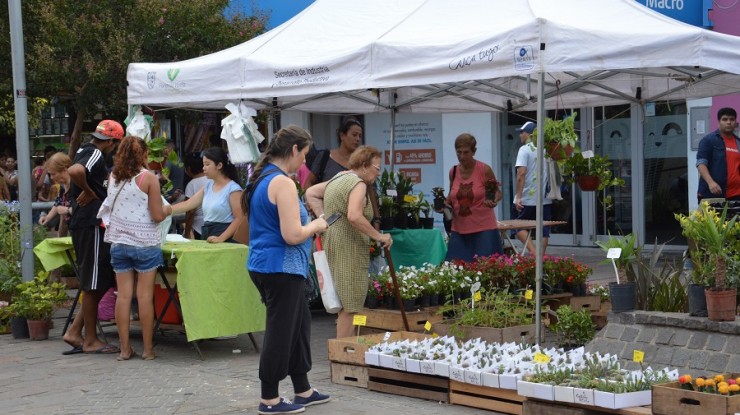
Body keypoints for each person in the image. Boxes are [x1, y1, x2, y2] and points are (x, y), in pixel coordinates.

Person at [243, 125, 330, 414]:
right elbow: (292, 235)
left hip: (271, 265)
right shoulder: (281, 183)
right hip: (279, 267)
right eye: (304, 155)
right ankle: (269, 398)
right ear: (294, 149)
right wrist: (316, 225)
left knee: (299, 326)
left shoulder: (263, 177)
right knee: (281, 331)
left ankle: (302, 389)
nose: (304, 162)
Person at [305, 145, 393, 339]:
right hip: (348, 247)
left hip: (334, 242)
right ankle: (345, 355)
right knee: (350, 306)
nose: (378, 174)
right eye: (377, 169)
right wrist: (379, 236)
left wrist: (324, 218)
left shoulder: (339, 178)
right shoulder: (358, 184)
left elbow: (310, 192)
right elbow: (354, 216)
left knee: (343, 302)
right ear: (364, 165)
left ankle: (344, 354)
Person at [101, 136, 171, 361]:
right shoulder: (148, 178)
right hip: (144, 245)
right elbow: (157, 215)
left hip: (119, 243)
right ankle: (148, 350)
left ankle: (124, 349)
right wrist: (168, 209)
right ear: (143, 154)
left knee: (123, 297)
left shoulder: (112, 177)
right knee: (144, 296)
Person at [63, 119, 122, 355]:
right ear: (113, 142)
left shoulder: (84, 150)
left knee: (101, 279)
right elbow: (75, 171)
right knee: (93, 281)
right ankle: (89, 340)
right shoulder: (94, 153)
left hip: (85, 222)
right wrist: (89, 191)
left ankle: (75, 332)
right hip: (90, 223)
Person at [438, 133, 503, 263]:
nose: (461, 156)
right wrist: (442, 205)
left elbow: (497, 192)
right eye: (459, 152)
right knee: (454, 269)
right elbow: (451, 196)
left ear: (474, 151)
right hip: (459, 231)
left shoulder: (484, 169)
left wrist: (494, 200)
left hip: (484, 230)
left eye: (466, 152)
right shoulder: (453, 171)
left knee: (485, 270)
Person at [171, 147, 243, 243]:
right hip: (208, 233)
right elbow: (188, 204)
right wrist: (167, 210)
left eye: (207, 164)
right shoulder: (208, 186)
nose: (203, 168)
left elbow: (239, 218)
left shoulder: (233, 189)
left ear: (219, 165)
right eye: (203, 164)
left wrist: (221, 238)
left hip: (226, 238)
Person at [512, 121, 552, 255]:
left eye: (521, 132)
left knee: (518, 227)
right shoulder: (546, 148)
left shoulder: (524, 149)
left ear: (529, 134)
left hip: (528, 197)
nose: (520, 135)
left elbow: (521, 173)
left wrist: (518, 197)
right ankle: (541, 257)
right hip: (545, 198)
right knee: (544, 229)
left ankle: (534, 254)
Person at [303, 118, 363, 188]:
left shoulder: (361, 162)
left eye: (360, 136)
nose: (357, 139)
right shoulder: (325, 157)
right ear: (342, 136)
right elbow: (308, 182)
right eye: (354, 135)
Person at [696, 107, 740, 201]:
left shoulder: (738, 142)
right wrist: (711, 182)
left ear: (735, 122)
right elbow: (701, 163)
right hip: (713, 193)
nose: (728, 122)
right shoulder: (708, 140)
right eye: (725, 119)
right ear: (719, 122)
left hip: (736, 194)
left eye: (732, 119)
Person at [38, 152, 73, 231]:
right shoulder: (63, 185)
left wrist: (67, 210)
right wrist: (47, 217)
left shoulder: (77, 185)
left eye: (53, 174)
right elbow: (58, 203)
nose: (52, 178)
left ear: (64, 170)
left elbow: (86, 210)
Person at [183, 152, 208, 240]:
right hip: (213, 226)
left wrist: (187, 232)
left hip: (198, 228)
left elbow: (190, 211)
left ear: (189, 168)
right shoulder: (211, 180)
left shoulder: (191, 184)